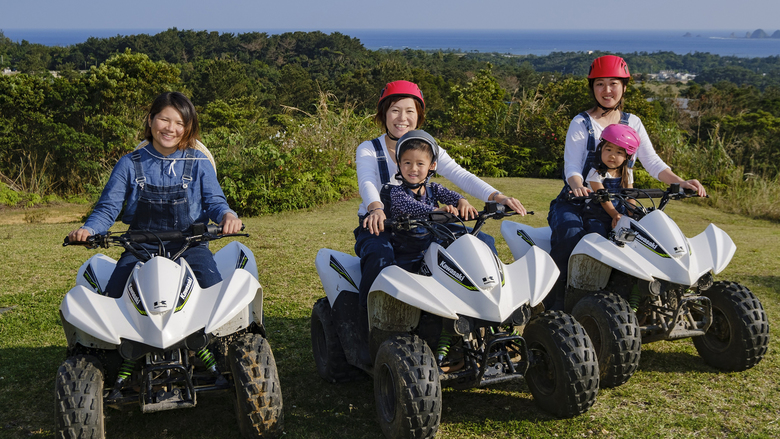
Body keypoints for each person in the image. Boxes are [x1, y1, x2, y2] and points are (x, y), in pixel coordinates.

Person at [546, 55, 706, 310]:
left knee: (655, 237)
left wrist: (680, 181)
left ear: (623, 87)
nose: (606, 90)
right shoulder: (581, 123)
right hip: (577, 203)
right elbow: (572, 167)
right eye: (600, 84)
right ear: (592, 88)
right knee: (570, 238)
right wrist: (577, 185)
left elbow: (652, 162)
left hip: (620, 203)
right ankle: (556, 309)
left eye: (613, 84)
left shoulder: (633, 122)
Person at [355, 80, 527, 312]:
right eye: (394, 110)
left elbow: (460, 175)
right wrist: (376, 208)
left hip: (427, 224)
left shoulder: (428, 147)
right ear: (383, 114)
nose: (401, 118)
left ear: (419, 115)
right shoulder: (369, 148)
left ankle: (493, 309)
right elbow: (367, 181)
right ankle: (367, 319)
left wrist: (498, 197)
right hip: (381, 225)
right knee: (379, 257)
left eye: (409, 111)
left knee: (481, 243)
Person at [68, 91, 242, 298]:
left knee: (214, 296)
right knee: (114, 298)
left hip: (192, 246)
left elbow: (215, 202)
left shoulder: (199, 162)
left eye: (180, 123)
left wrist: (228, 216)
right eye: (164, 119)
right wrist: (88, 229)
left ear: (188, 128)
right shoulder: (128, 163)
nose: (171, 128)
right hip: (139, 248)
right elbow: (107, 209)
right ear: (151, 120)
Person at [384, 130, 476, 273]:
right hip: (407, 253)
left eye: (420, 163)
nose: (413, 169)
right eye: (407, 162)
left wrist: (462, 201)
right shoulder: (397, 192)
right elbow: (411, 206)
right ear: (399, 165)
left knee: (479, 240)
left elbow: (450, 195)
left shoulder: (433, 188)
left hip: (434, 245)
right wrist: (435, 211)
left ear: (431, 166)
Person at [580, 124, 639, 237]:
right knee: (598, 235)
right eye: (608, 149)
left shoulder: (627, 173)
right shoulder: (595, 173)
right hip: (596, 216)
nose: (612, 155)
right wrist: (615, 215)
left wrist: (633, 214)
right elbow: (603, 198)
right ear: (601, 149)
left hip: (619, 215)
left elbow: (630, 197)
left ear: (627, 156)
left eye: (619, 152)